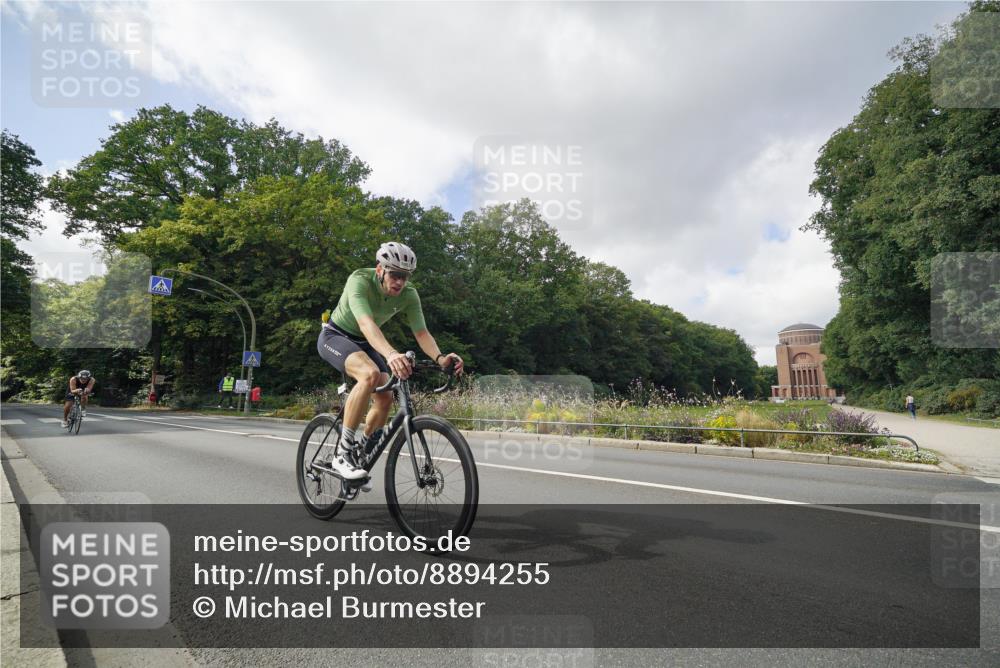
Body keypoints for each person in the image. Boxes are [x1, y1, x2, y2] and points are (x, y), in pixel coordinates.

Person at [317, 241, 464, 488]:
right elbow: (366, 324)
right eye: (394, 274)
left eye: (404, 276)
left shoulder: (409, 295)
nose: (400, 282)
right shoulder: (359, 280)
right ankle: (342, 454)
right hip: (336, 336)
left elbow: (422, 333)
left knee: (385, 398)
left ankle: (359, 453)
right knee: (370, 374)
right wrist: (392, 354)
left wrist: (440, 358)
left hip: (365, 343)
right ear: (379, 270)